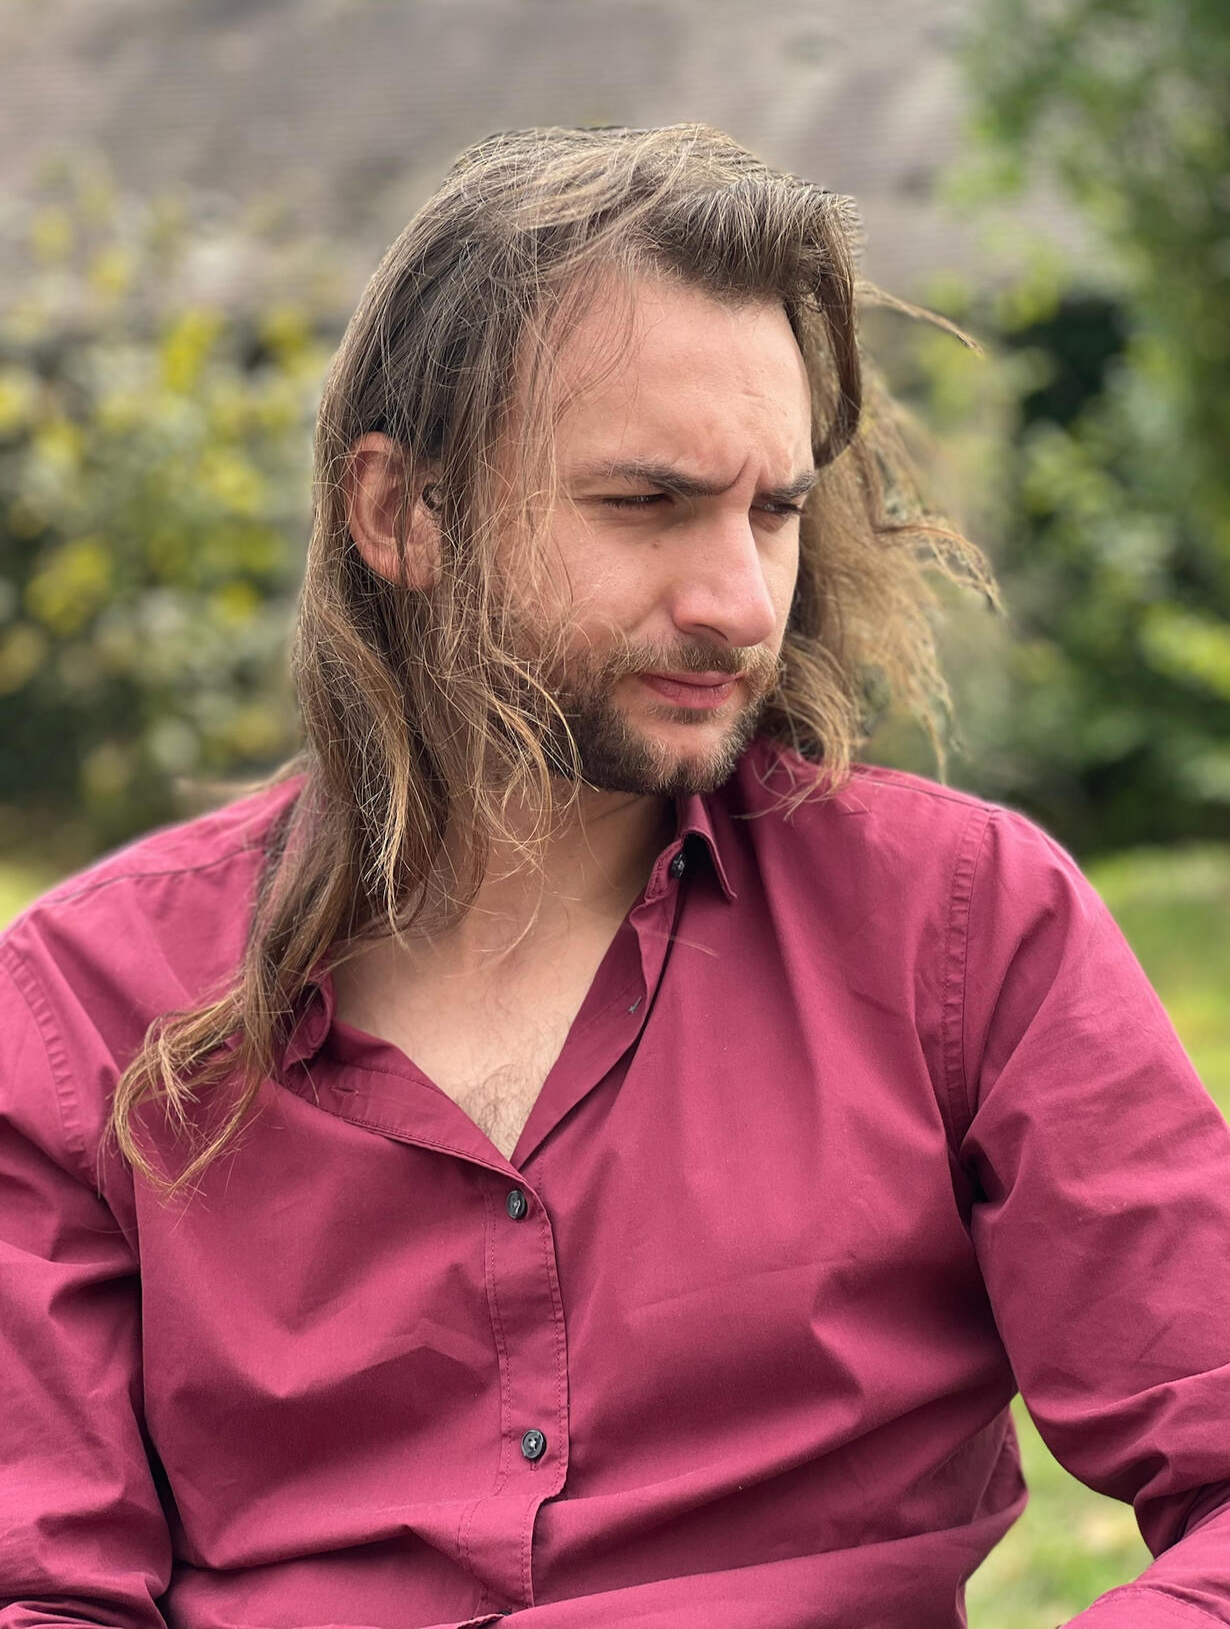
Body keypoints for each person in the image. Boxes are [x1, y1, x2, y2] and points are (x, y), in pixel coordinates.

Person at [1, 123, 1227, 1629]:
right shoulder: (84, 1010)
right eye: (645, 505)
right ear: (399, 514)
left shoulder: (964, 928)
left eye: (773, 512)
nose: (738, 602)